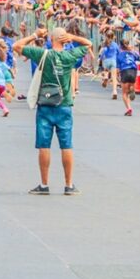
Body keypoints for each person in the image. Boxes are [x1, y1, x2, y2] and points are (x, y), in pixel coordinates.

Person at [14, 27, 91, 196]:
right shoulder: (69, 56)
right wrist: (73, 37)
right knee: (66, 145)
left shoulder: (43, 54)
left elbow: (17, 46)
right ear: (64, 40)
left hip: (46, 104)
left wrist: (34, 35)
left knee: (44, 145)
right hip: (64, 104)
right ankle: (69, 184)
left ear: (51, 38)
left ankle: (44, 184)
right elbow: (88, 44)